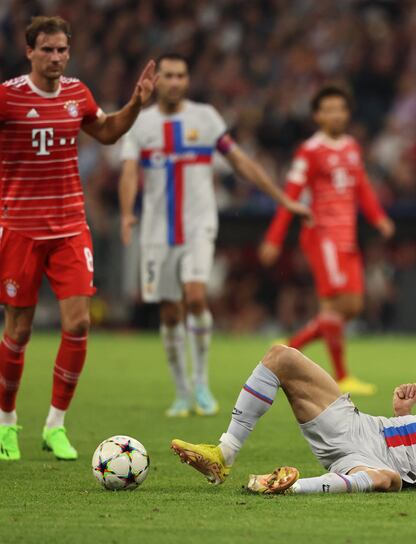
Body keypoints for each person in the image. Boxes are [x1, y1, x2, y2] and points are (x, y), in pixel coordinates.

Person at [118, 54, 310, 418]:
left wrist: (282, 197)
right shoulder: (141, 124)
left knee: (194, 296)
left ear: (188, 80)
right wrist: (128, 213)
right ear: (157, 81)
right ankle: (181, 390)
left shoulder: (205, 118)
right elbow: (129, 172)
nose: (174, 81)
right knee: (171, 311)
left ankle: (201, 383)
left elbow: (240, 161)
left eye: (181, 75)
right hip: (158, 230)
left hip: (198, 225)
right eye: (168, 75)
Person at [0, 16, 157, 461]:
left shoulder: (77, 93)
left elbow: (107, 132)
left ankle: (55, 426)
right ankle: (6, 422)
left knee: (80, 323)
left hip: (70, 226)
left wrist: (135, 104)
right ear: (29, 51)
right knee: (19, 330)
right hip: (20, 229)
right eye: (47, 49)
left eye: (61, 50)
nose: (55, 57)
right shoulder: (8, 97)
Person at [170, 344, 416, 494]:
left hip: (376, 462)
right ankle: (224, 453)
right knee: (281, 357)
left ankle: (286, 487)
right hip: (365, 427)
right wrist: (402, 413)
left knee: (387, 481)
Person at [258, 85, 395, 396]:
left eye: (341, 108)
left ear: (347, 113)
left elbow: (362, 188)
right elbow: (289, 196)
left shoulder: (351, 147)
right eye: (329, 109)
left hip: (347, 236)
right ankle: (341, 375)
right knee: (336, 305)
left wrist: (378, 217)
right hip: (322, 237)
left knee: (353, 306)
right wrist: (274, 237)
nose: (336, 114)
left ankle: (286, 350)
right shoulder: (309, 151)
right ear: (317, 115)